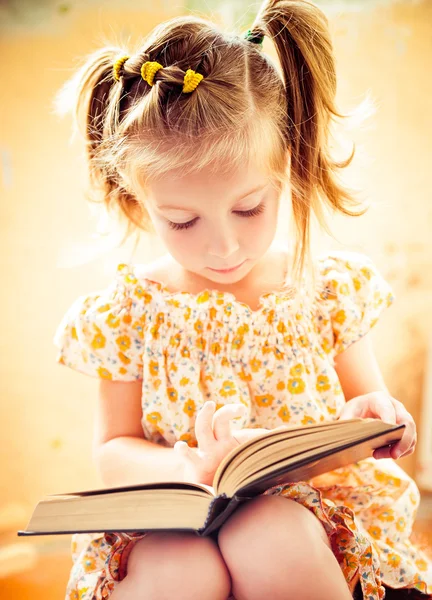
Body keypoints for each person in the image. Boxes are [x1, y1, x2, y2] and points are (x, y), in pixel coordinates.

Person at [52, 1, 432, 599]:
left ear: (286, 168)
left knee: (269, 536)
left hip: (306, 514)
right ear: (137, 203)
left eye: (249, 208)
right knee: (179, 570)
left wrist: (381, 418)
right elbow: (112, 451)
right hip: (178, 516)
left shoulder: (324, 289)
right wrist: (187, 467)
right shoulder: (128, 312)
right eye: (182, 222)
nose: (223, 247)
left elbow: (366, 400)